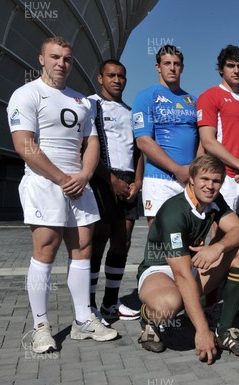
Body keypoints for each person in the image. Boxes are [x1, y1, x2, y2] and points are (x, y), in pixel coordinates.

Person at [7, 36, 117, 353]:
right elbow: (24, 144)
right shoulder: (27, 94)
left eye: (67, 58)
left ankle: (83, 320)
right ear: (42, 59)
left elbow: (91, 144)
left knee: (83, 247)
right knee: (46, 248)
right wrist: (60, 177)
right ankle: (40, 325)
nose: (61, 64)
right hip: (44, 183)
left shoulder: (81, 101)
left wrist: (82, 175)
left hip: (78, 184)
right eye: (54, 57)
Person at [137, 155, 239, 361]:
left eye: (216, 181)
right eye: (205, 179)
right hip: (160, 270)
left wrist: (217, 247)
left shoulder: (214, 200)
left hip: (189, 265)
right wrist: (201, 331)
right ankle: (149, 316)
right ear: (191, 179)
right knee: (169, 305)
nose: (210, 186)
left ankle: (223, 331)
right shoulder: (174, 212)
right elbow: (181, 275)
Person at [88, 59, 143, 322]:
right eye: (111, 75)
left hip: (129, 180)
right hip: (102, 179)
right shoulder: (89, 105)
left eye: (121, 76)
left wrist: (138, 182)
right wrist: (110, 179)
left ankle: (110, 302)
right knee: (97, 242)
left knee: (122, 242)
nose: (117, 80)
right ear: (100, 78)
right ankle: (88, 305)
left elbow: (140, 150)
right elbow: (85, 149)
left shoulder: (131, 112)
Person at [197, 45, 239, 238]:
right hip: (223, 176)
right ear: (221, 69)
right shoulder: (209, 96)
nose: (236, 70)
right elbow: (208, 141)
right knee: (220, 237)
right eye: (230, 65)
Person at [133, 44, 199, 227]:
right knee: (160, 241)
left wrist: (192, 170)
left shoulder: (192, 100)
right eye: (167, 63)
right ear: (158, 67)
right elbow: (143, 141)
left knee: (189, 239)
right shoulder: (145, 97)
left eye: (176, 64)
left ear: (182, 67)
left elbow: (202, 139)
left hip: (189, 179)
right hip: (159, 180)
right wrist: (177, 169)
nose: (172, 68)